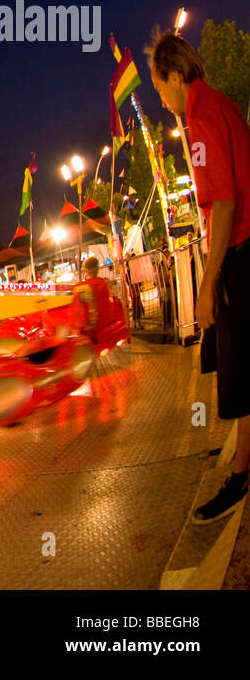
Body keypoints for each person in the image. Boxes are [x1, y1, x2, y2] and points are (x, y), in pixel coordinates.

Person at [148, 32, 250, 522]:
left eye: (160, 89)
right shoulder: (216, 106)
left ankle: (242, 473)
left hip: (240, 253)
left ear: (174, 76)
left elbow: (225, 203)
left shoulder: (202, 116)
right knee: (230, 359)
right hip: (239, 249)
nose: (161, 100)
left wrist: (207, 284)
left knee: (238, 365)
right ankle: (239, 454)